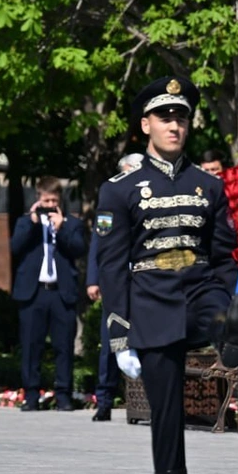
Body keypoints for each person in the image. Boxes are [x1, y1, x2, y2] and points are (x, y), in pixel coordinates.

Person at [95, 75, 238, 474]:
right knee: (167, 423)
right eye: (164, 117)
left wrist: (233, 297)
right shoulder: (119, 190)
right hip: (152, 305)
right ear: (145, 124)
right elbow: (112, 268)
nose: (174, 125)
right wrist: (120, 337)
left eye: (181, 117)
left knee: (223, 312)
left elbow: (222, 255)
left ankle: (230, 332)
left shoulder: (209, 186)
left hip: (201, 291)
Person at [10, 176, 87, 412]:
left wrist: (61, 228)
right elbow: (15, 247)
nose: (50, 205)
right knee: (31, 346)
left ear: (60, 200)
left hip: (60, 293)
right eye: (46, 201)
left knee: (63, 346)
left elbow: (79, 249)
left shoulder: (71, 223)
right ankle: (31, 395)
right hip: (34, 293)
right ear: (38, 199)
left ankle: (63, 395)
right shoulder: (25, 222)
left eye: (54, 201)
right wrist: (33, 223)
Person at [86, 153, 144, 422]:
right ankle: (105, 400)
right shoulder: (111, 196)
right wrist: (93, 279)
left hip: (144, 280)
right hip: (116, 281)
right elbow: (99, 241)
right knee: (111, 339)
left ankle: (145, 399)